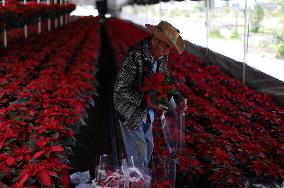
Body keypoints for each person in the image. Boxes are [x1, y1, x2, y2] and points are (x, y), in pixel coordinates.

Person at [113, 21, 187, 168]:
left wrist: (178, 98)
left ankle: (140, 177)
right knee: (139, 153)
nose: (167, 52)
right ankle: (138, 181)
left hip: (147, 110)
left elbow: (164, 77)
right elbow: (120, 89)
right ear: (154, 40)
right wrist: (145, 102)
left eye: (169, 48)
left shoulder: (161, 56)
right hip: (131, 111)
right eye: (166, 46)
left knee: (148, 146)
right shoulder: (135, 57)